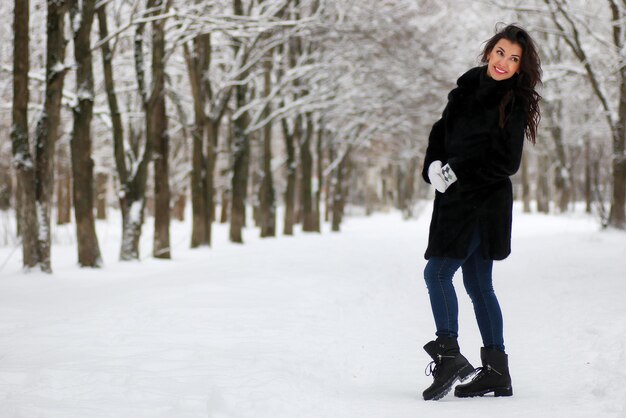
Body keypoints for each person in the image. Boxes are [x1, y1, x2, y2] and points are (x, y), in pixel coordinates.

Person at [420, 24, 542, 401]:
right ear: (489, 51)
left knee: (437, 272)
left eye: (514, 58)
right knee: (477, 284)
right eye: (500, 52)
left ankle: (449, 354)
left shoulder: (513, 101)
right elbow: (440, 133)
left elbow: (506, 161)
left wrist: (457, 171)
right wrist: (433, 165)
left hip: (481, 204)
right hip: (454, 200)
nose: (504, 62)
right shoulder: (464, 90)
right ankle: (496, 372)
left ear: (521, 67)